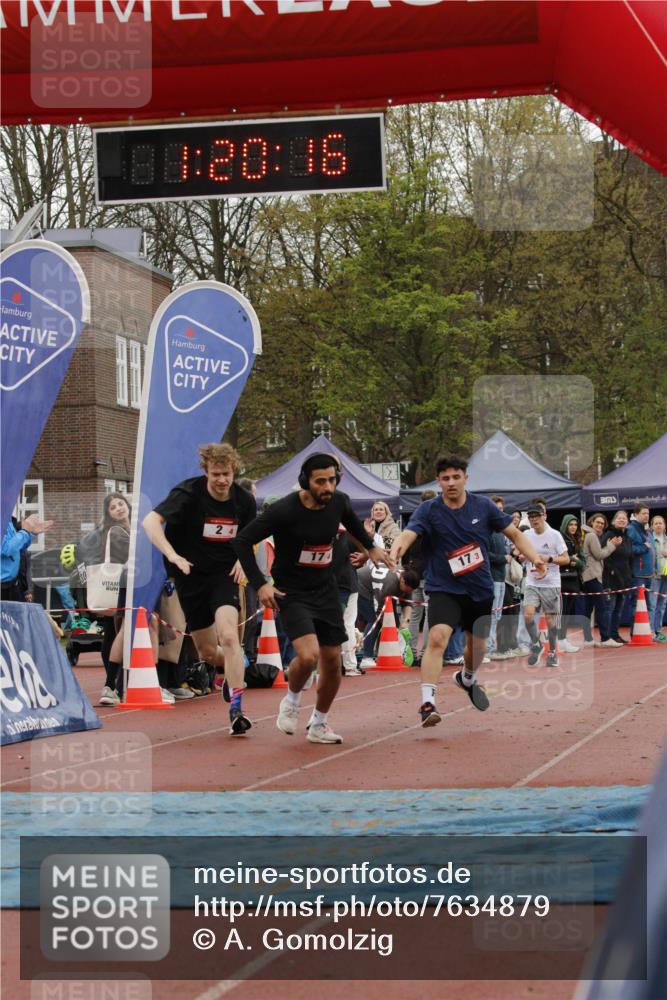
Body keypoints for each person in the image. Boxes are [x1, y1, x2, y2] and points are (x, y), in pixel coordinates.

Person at [233, 453, 393, 744]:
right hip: (291, 592)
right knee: (308, 656)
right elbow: (242, 540)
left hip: (326, 590)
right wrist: (260, 585)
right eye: (321, 481)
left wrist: (371, 548)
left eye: (332, 480)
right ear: (306, 482)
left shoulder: (339, 502)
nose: (328, 487)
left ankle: (319, 723)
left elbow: (354, 525)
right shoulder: (284, 510)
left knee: (333, 662)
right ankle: (292, 700)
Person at [390, 455, 546, 727]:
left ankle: (467, 678)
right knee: (437, 638)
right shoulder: (429, 510)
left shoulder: (483, 507)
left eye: (456, 477)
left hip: (479, 589)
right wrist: (398, 546)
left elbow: (516, 535)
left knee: (477, 647)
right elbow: (409, 533)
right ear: (438, 481)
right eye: (445, 478)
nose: (451, 483)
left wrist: (536, 558)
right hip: (443, 588)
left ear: (465, 478)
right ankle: (428, 703)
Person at [143, 443, 256, 735]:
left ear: (234, 471)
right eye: (216, 474)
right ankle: (235, 664)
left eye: (227, 474)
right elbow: (150, 522)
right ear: (206, 471)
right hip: (190, 576)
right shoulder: (189, 493)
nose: (222, 481)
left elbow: (252, 534)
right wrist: (172, 554)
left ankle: (237, 709)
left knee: (229, 635)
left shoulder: (243, 500)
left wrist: (245, 561)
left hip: (223, 575)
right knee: (207, 652)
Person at [521, 506, 571, 668]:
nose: (534, 520)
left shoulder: (554, 535)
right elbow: (520, 554)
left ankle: (552, 652)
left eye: (536, 516)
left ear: (544, 516)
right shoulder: (526, 535)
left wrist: (548, 558)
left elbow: (566, 559)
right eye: (531, 517)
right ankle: (536, 644)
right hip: (532, 581)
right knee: (528, 615)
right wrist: (523, 557)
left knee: (550, 620)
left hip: (551, 583)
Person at [581, 513, 623, 647]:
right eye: (597, 522)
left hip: (587, 577)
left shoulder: (588, 535)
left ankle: (588, 639)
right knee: (602, 607)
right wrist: (611, 546)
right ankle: (605, 638)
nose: (599, 525)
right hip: (592, 576)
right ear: (591, 522)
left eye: (602, 523)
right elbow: (599, 555)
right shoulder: (592, 535)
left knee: (588, 608)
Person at [1, 513, 52, 601]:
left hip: (13, 584)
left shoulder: (7, 519)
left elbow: (17, 547)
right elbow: (6, 549)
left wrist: (31, 534)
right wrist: (25, 532)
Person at [601, 510, 633, 645]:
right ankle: (606, 637)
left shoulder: (627, 537)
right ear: (614, 521)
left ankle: (615, 635)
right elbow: (602, 555)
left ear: (627, 522)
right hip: (611, 578)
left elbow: (629, 557)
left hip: (624, 579)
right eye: (619, 518)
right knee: (610, 608)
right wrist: (611, 570)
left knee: (618, 609)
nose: (621, 520)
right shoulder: (608, 535)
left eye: (624, 518)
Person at [626, 504, 657, 636]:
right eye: (644, 513)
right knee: (636, 605)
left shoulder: (646, 530)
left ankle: (646, 632)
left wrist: (654, 568)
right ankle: (635, 633)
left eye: (648, 513)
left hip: (648, 574)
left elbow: (652, 551)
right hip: (638, 574)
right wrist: (644, 547)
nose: (646, 516)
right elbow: (630, 549)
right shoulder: (631, 529)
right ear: (636, 514)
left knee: (648, 606)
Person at [558, 514, 585, 652]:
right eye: (571, 524)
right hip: (563, 580)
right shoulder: (561, 538)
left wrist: (575, 561)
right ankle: (560, 639)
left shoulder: (575, 540)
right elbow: (563, 559)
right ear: (565, 525)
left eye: (575, 525)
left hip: (573, 580)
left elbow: (582, 562)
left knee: (567, 611)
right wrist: (572, 560)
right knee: (562, 612)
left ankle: (562, 639)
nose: (573, 527)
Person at [649, 515, 667, 642]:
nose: (659, 525)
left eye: (661, 523)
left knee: (662, 605)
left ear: (664, 525)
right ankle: (650, 632)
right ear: (652, 526)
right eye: (656, 523)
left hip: (666, 576)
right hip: (655, 576)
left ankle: (658, 631)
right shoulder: (649, 540)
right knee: (652, 604)